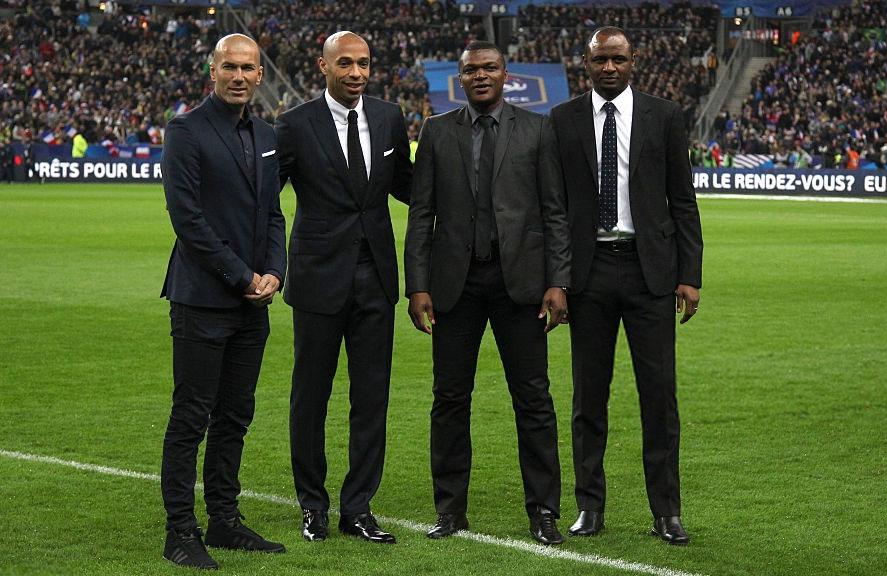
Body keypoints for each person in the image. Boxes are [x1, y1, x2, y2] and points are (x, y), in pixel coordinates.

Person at [404, 41, 571, 546]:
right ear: (460, 78)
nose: (480, 76)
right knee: (450, 399)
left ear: (506, 74)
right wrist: (417, 285)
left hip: (520, 284)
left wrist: (558, 281)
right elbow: (420, 215)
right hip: (456, 284)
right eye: (471, 70)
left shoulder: (538, 129)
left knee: (534, 400)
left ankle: (544, 511)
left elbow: (555, 212)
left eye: (489, 68)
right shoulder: (436, 132)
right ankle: (450, 511)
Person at [548, 27, 703, 545]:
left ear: (633, 61)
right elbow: (556, 210)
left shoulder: (664, 116)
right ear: (585, 64)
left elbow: (683, 201)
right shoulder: (564, 119)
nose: (608, 68)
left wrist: (689, 275)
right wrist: (559, 279)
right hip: (589, 274)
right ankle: (590, 508)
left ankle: (667, 511)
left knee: (659, 398)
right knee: (588, 399)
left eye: (617, 59)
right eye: (600, 60)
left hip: (649, 272)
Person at [276, 31, 412, 545]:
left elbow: (406, 185)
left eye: (364, 64)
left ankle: (358, 507)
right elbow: (268, 196)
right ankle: (312, 505)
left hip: (375, 278)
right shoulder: (292, 125)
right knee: (309, 397)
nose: (356, 73)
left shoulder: (388, 117)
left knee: (371, 397)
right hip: (317, 279)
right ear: (324, 66)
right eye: (346, 64)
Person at [159, 33, 287, 570]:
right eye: (230, 67)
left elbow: (274, 215)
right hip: (204, 298)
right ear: (212, 71)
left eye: (249, 68)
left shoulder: (265, 133)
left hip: (251, 302)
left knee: (236, 415)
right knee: (192, 415)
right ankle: (180, 532)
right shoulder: (185, 130)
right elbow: (188, 219)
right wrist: (242, 277)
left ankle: (225, 520)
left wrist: (275, 274)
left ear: (260, 75)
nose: (239, 76)